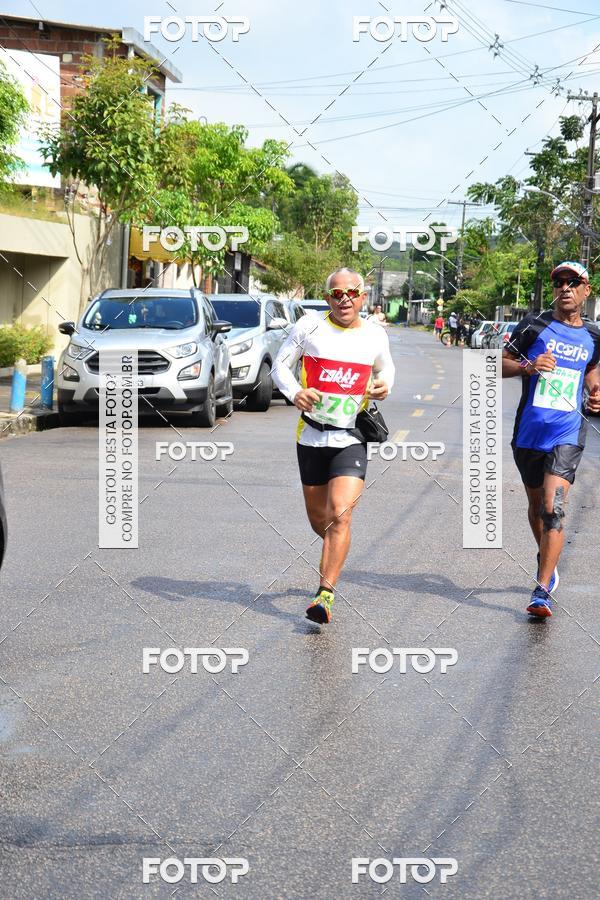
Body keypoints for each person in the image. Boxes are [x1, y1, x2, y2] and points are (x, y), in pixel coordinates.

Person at [272, 268, 395, 624]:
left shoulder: (374, 334)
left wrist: (383, 385)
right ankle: (335, 550)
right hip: (311, 435)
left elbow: (386, 370)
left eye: (352, 293)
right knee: (321, 520)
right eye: (337, 294)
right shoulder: (308, 327)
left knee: (340, 513)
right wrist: (295, 392)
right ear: (328, 298)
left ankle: (325, 594)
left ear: (363, 297)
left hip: (351, 435)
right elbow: (280, 366)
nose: (345, 299)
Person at [502, 261, 600, 617]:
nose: (566, 288)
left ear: (587, 290)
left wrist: (595, 388)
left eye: (574, 282)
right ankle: (547, 558)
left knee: (553, 508)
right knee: (536, 509)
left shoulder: (593, 335)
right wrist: (528, 366)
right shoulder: (533, 325)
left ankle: (541, 590)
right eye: (559, 282)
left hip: (567, 433)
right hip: (529, 433)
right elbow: (497, 364)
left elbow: (592, 366)